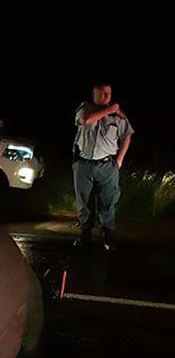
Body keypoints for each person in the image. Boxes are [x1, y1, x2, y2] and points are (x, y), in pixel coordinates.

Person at [73, 81, 133, 250]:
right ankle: (85, 237)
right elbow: (86, 120)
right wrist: (110, 109)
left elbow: (127, 135)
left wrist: (119, 160)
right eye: (103, 93)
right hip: (84, 165)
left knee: (108, 202)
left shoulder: (118, 117)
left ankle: (108, 238)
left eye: (109, 93)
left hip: (107, 165)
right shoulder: (84, 109)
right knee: (84, 203)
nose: (107, 96)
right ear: (94, 95)